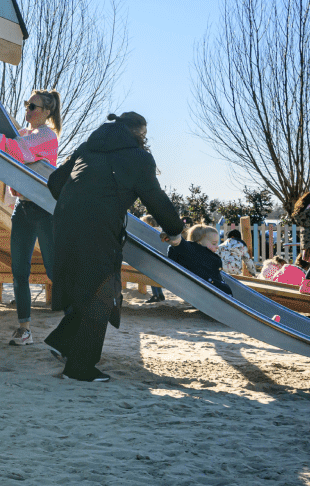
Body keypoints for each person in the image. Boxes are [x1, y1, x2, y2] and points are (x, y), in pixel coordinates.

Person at [43, 112, 184, 382]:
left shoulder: (87, 148)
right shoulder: (139, 158)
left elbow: (55, 182)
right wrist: (175, 231)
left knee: (86, 288)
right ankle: (79, 369)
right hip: (98, 228)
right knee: (102, 292)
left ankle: (61, 341)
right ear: (139, 133)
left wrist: (78, 200)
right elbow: (155, 197)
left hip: (64, 223)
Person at [1, 89, 60, 347]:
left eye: (33, 106)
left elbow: (17, 149)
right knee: (19, 271)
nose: (28, 110)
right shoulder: (27, 133)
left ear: (46, 113)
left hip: (44, 209)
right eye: (27, 105)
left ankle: (76, 322)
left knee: (53, 268)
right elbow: (15, 137)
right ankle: (24, 329)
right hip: (23, 208)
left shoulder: (47, 136)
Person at [169, 224, 229, 292]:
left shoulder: (208, 258)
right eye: (214, 243)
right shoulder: (193, 253)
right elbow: (181, 245)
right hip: (209, 290)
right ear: (199, 243)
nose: (217, 246)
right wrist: (173, 235)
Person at [139, 214, 166, 303]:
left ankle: (156, 295)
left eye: (144, 223)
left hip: (153, 257)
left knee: (151, 276)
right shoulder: (160, 230)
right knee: (155, 277)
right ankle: (160, 294)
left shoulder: (151, 231)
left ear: (150, 223)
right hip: (160, 258)